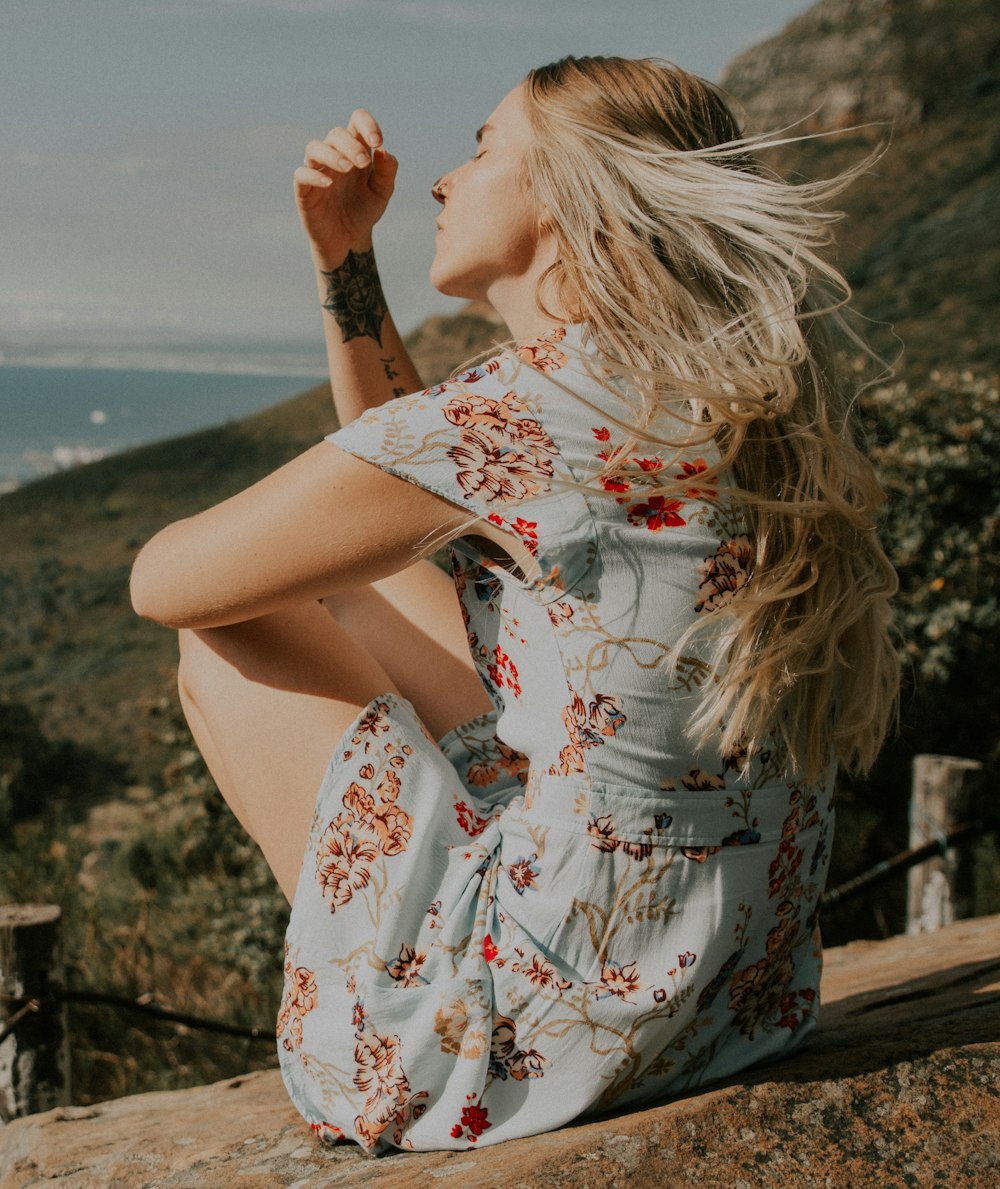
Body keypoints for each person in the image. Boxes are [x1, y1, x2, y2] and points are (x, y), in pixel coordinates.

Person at [130, 55, 898, 1152]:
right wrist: (345, 261)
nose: (443, 181)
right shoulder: (727, 390)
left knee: (224, 632)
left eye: (483, 147)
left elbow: (165, 579)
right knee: (378, 571)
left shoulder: (538, 399)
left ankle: (370, 1002)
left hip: (501, 1046)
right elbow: (403, 506)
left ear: (570, 192)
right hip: (724, 1009)